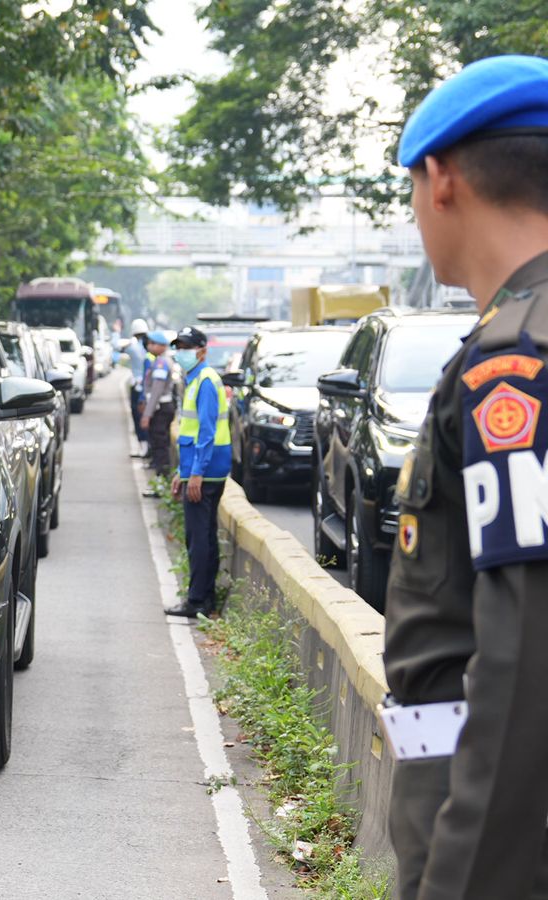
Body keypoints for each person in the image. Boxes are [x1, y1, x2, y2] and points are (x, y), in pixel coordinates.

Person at [381, 55, 548, 900]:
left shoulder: (516, 362)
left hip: (495, 833)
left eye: (411, 189)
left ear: (441, 179)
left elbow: (523, 660)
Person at [167, 325, 230, 618]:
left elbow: (205, 432)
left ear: (202, 351)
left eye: (187, 347)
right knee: (205, 534)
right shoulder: (197, 379)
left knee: (199, 538)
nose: (181, 353)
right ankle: (206, 599)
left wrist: (195, 474)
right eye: (178, 347)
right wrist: (183, 471)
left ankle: (197, 601)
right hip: (205, 469)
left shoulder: (204, 381)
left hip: (205, 472)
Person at [139, 330, 177, 484]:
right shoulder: (159, 360)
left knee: (159, 445)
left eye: (152, 343)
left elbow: (156, 391)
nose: (149, 346)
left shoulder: (161, 363)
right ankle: (161, 479)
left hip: (160, 409)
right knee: (159, 444)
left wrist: (147, 414)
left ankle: (162, 481)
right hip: (161, 407)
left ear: (161, 346)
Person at [126, 317, 151, 454]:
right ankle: (146, 447)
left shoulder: (133, 347)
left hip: (138, 386)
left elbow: (118, 347)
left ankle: (143, 446)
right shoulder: (148, 348)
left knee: (138, 416)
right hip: (145, 387)